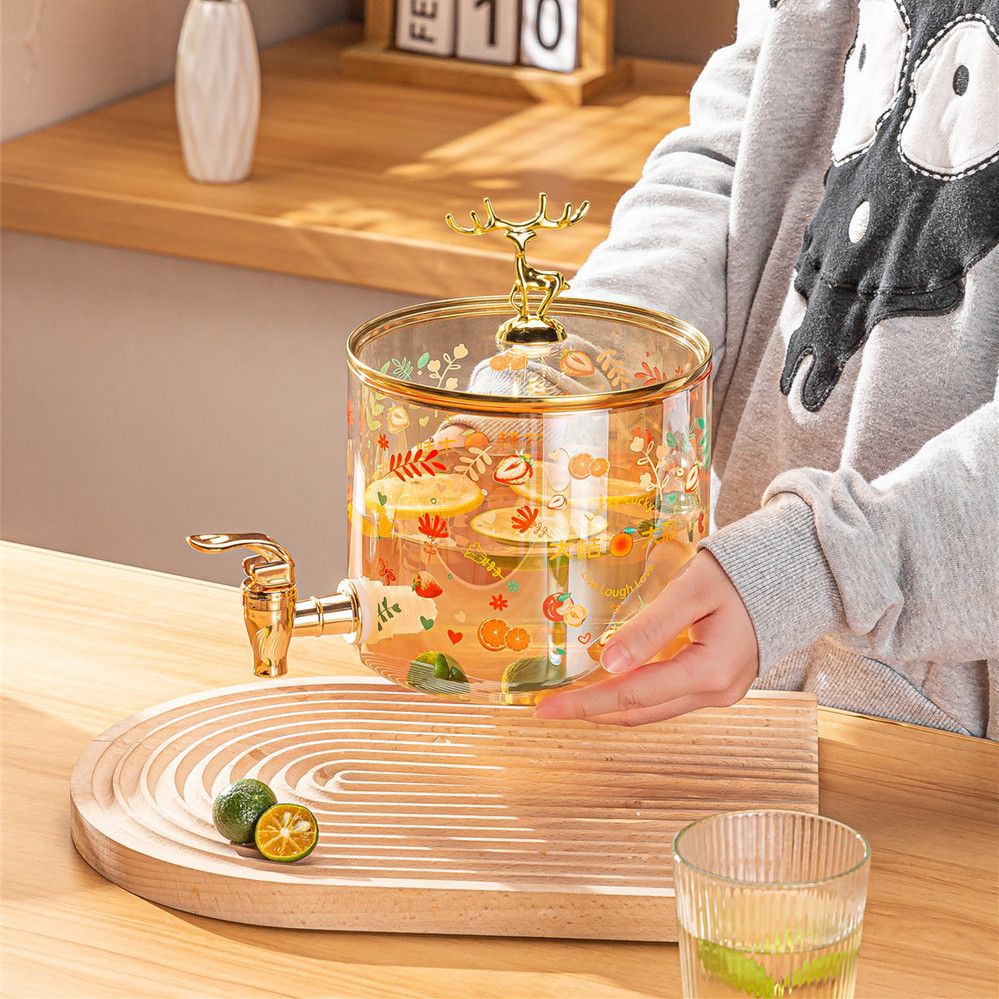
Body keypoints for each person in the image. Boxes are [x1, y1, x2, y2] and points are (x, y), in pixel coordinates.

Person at [533, 0, 999, 737]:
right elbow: (747, 141)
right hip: (737, 626)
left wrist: (821, 566)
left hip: (950, 738)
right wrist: (586, 364)